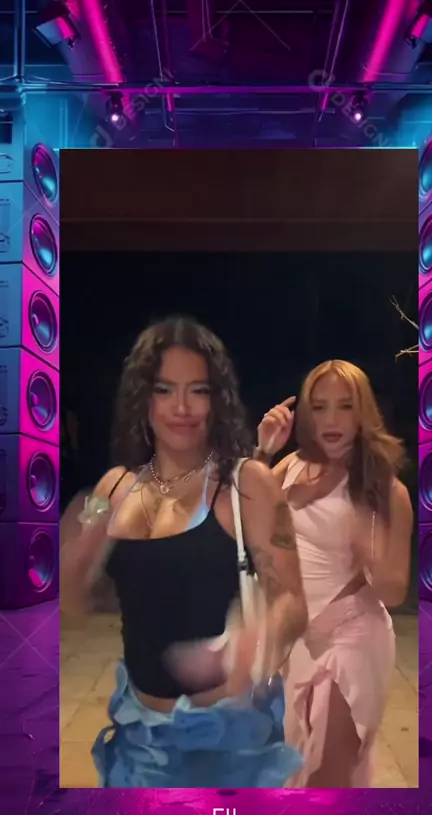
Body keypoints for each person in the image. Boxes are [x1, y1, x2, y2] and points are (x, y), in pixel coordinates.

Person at [60, 316, 307, 788]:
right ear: (143, 398)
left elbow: (293, 601)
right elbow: (75, 600)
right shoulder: (114, 488)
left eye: (198, 390)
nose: (181, 407)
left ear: (217, 399)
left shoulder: (246, 483)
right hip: (139, 743)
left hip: (228, 744)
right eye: (164, 389)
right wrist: (72, 563)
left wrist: (254, 641)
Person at [255, 359, 413, 788]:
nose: (331, 420)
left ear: (363, 413)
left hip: (353, 638)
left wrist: (367, 548)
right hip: (297, 640)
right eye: (320, 407)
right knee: (295, 775)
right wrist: (263, 452)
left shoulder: (385, 489)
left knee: (326, 780)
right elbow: (242, 523)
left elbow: (394, 591)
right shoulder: (290, 466)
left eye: (345, 406)